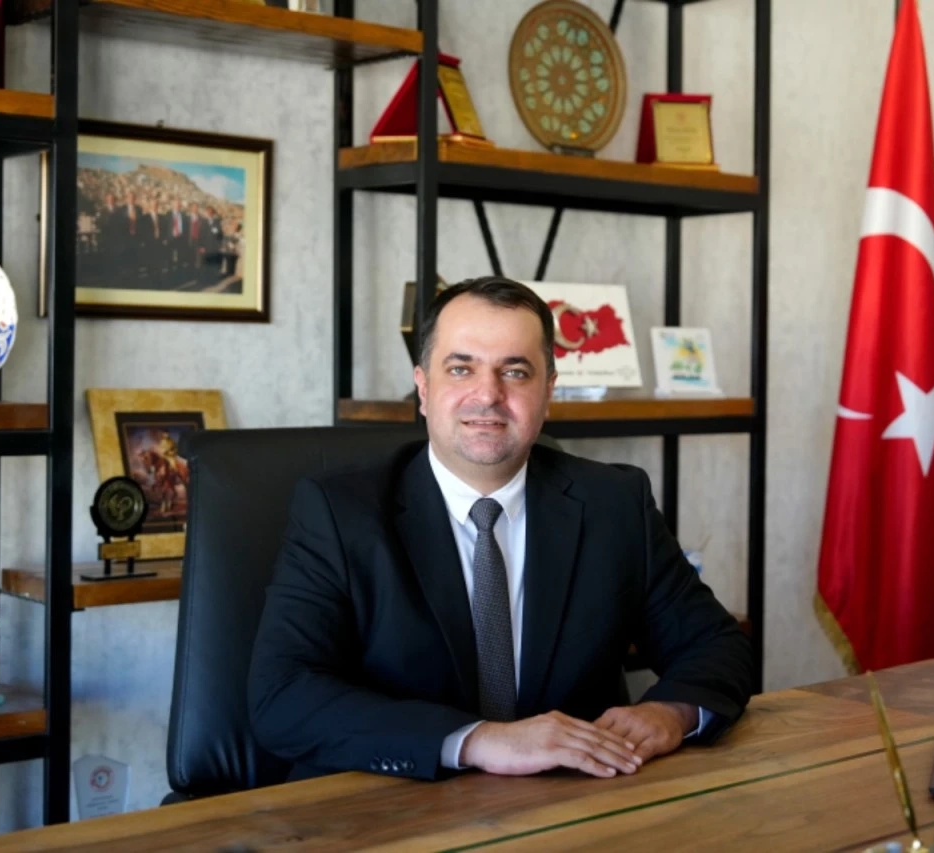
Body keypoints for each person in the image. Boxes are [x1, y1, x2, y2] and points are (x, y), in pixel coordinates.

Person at [248, 276, 755, 783]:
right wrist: (476, 740)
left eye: (515, 371)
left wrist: (672, 712)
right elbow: (284, 694)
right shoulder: (339, 513)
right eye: (461, 369)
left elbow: (715, 643)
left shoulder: (615, 503)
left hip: (571, 799)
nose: (488, 395)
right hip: (389, 803)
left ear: (548, 391)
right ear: (424, 388)